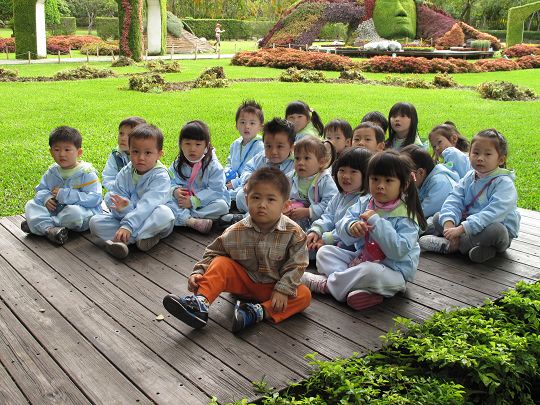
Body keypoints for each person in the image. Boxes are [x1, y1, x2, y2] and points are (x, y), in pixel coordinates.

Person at [163, 167, 311, 332]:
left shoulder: (294, 233)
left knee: (304, 295)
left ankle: (257, 312)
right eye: (256, 197)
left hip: (274, 289)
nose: (262, 205)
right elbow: (214, 252)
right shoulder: (236, 230)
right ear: (247, 200)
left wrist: (283, 289)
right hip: (243, 284)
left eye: (271, 199)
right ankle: (200, 304)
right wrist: (199, 272)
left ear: (285, 205)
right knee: (221, 263)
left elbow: (297, 264)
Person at [302, 150, 426, 310]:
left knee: (369, 271)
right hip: (361, 259)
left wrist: (376, 222)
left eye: (388, 180)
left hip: (392, 272)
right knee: (325, 252)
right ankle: (361, 291)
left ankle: (327, 285)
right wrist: (351, 227)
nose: (380, 185)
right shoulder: (366, 202)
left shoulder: (406, 215)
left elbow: (398, 251)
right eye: (375, 179)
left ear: (404, 184)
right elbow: (343, 224)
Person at [419, 129, 520, 263]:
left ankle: (451, 246)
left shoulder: (504, 184)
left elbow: (492, 214)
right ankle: (477, 248)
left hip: (493, 228)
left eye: (487, 154)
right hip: (469, 226)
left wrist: (462, 229)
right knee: (439, 217)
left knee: (497, 230)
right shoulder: (469, 176)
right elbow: (454, 199)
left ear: (501, 159)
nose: (480, 158)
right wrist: (449, 225)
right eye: (476, 153)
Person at [89, 124, 175, 259]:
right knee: (95, 222)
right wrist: (123, 208)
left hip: (150, 218)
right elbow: (117, 195)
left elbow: (148, 205)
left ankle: (123, 240)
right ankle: (141, 238)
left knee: (164, 213)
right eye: (135, 152)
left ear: (159, 154)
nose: (141, 157)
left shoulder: (161, 176)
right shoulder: (126, 171)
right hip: (128, 218)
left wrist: (128, 226)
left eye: (148, 153)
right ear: (129, 150)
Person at [22, 126, 102, 245]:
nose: (62, 154)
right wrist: (46, 198)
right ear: (51, 152)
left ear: (79, 152)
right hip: (55, 210)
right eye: (57, 150)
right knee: (31, 204)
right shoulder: (52, 172)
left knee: (74, 213)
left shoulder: (86, 173)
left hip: (81, 213)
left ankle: (40, 226)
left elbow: (95, 198)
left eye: (67, 150)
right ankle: (50, 230)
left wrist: (66, 195)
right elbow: (41, 189)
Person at [166, 120, 230, 234]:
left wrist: (194, 201)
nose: (192, 149)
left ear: (206, 146)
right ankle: (192, 221)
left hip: (205, 203)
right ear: (180, 145)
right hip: (182, 202)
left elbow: (216, 190)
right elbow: (168, 180)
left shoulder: (214, 166)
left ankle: (185, 218)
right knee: (165, 199)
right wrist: (175, 191)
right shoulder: (178, 163)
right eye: (187, 144)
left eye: (198, 144)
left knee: (222, 206)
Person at [306, 147, 373, 253]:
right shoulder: (339, 195)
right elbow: (328, 216)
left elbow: (355, 230)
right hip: (330, 241)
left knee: (323, 252)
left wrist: (328, 238)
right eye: (342, 170)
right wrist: (316, 230)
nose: (345, 176)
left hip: (353, 248)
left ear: (366, 175)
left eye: (353, 172)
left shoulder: (366, 200)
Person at [233, 118, 296, 215]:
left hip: (281, 200)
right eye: (268, 146)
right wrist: (249, 181)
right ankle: (255, 216)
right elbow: (248, 168)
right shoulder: (261, 158)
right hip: (261, 197)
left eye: (280, 146)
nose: (273, 152)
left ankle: (252, 217)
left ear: (291, 147)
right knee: (241, 195)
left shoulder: (295, 163)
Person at [401, 144, 459, 233]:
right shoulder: (423, 181)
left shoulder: (440, 183)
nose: (400, 179)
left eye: (403, 175)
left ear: (420, 172)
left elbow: (420, 214)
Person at [285, 137, 337, 231]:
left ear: (321, 162)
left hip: (317, 224)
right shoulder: (291, 177)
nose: (300, 162)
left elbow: (332, 202)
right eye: (297, 158)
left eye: (306, 158)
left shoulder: (324, 179)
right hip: (293, 220)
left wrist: (309, 211)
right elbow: (280, 194)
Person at [225, 100, 265, 202]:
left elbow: (258, 173)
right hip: (231, 180)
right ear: (236, 125)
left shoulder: (260, 147)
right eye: (242, 122)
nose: (247, 126)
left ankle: (229, 200)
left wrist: (236, 183)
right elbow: (229, 162)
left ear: (260, 127)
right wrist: (227, 172)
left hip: (248, 183)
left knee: (242, 194)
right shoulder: (235, 144)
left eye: (252, 123)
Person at [102, 116, 146, 191]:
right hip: (120, 192)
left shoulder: (147, 156)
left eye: (129, 135)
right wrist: (121, 190)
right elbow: (108, 178)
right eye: (121, 133)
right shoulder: (116, 155)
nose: (123, 138)